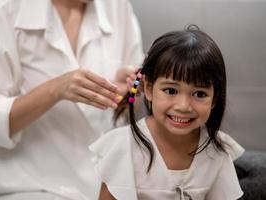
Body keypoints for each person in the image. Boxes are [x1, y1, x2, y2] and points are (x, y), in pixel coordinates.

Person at [0, 0, 143, 199]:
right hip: (23, 188)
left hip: (100, 187)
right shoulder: (3, 11)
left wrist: (124, 94)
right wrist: (55, 89)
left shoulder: (118, 7)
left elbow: (131, 103)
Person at [90, 26, 244, 200]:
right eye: (171, 91)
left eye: (199, 94)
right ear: (148, 88)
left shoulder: (216, 149)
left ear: (214, 99)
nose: (184, 106)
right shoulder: (122, 147)